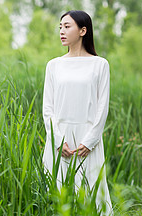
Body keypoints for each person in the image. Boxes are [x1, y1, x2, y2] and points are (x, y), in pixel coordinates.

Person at [42, 10, 113, 215]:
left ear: (83, 30)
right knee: (58, 199)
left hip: (87, 142)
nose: (62, 31)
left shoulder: (100, 65)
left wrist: (89, 141)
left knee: (92, 198)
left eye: (67, 26)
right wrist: (57, 140)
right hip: (58, 143)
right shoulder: (54, 65)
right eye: (60, 27)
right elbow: (48, 108)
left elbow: (102, 107)